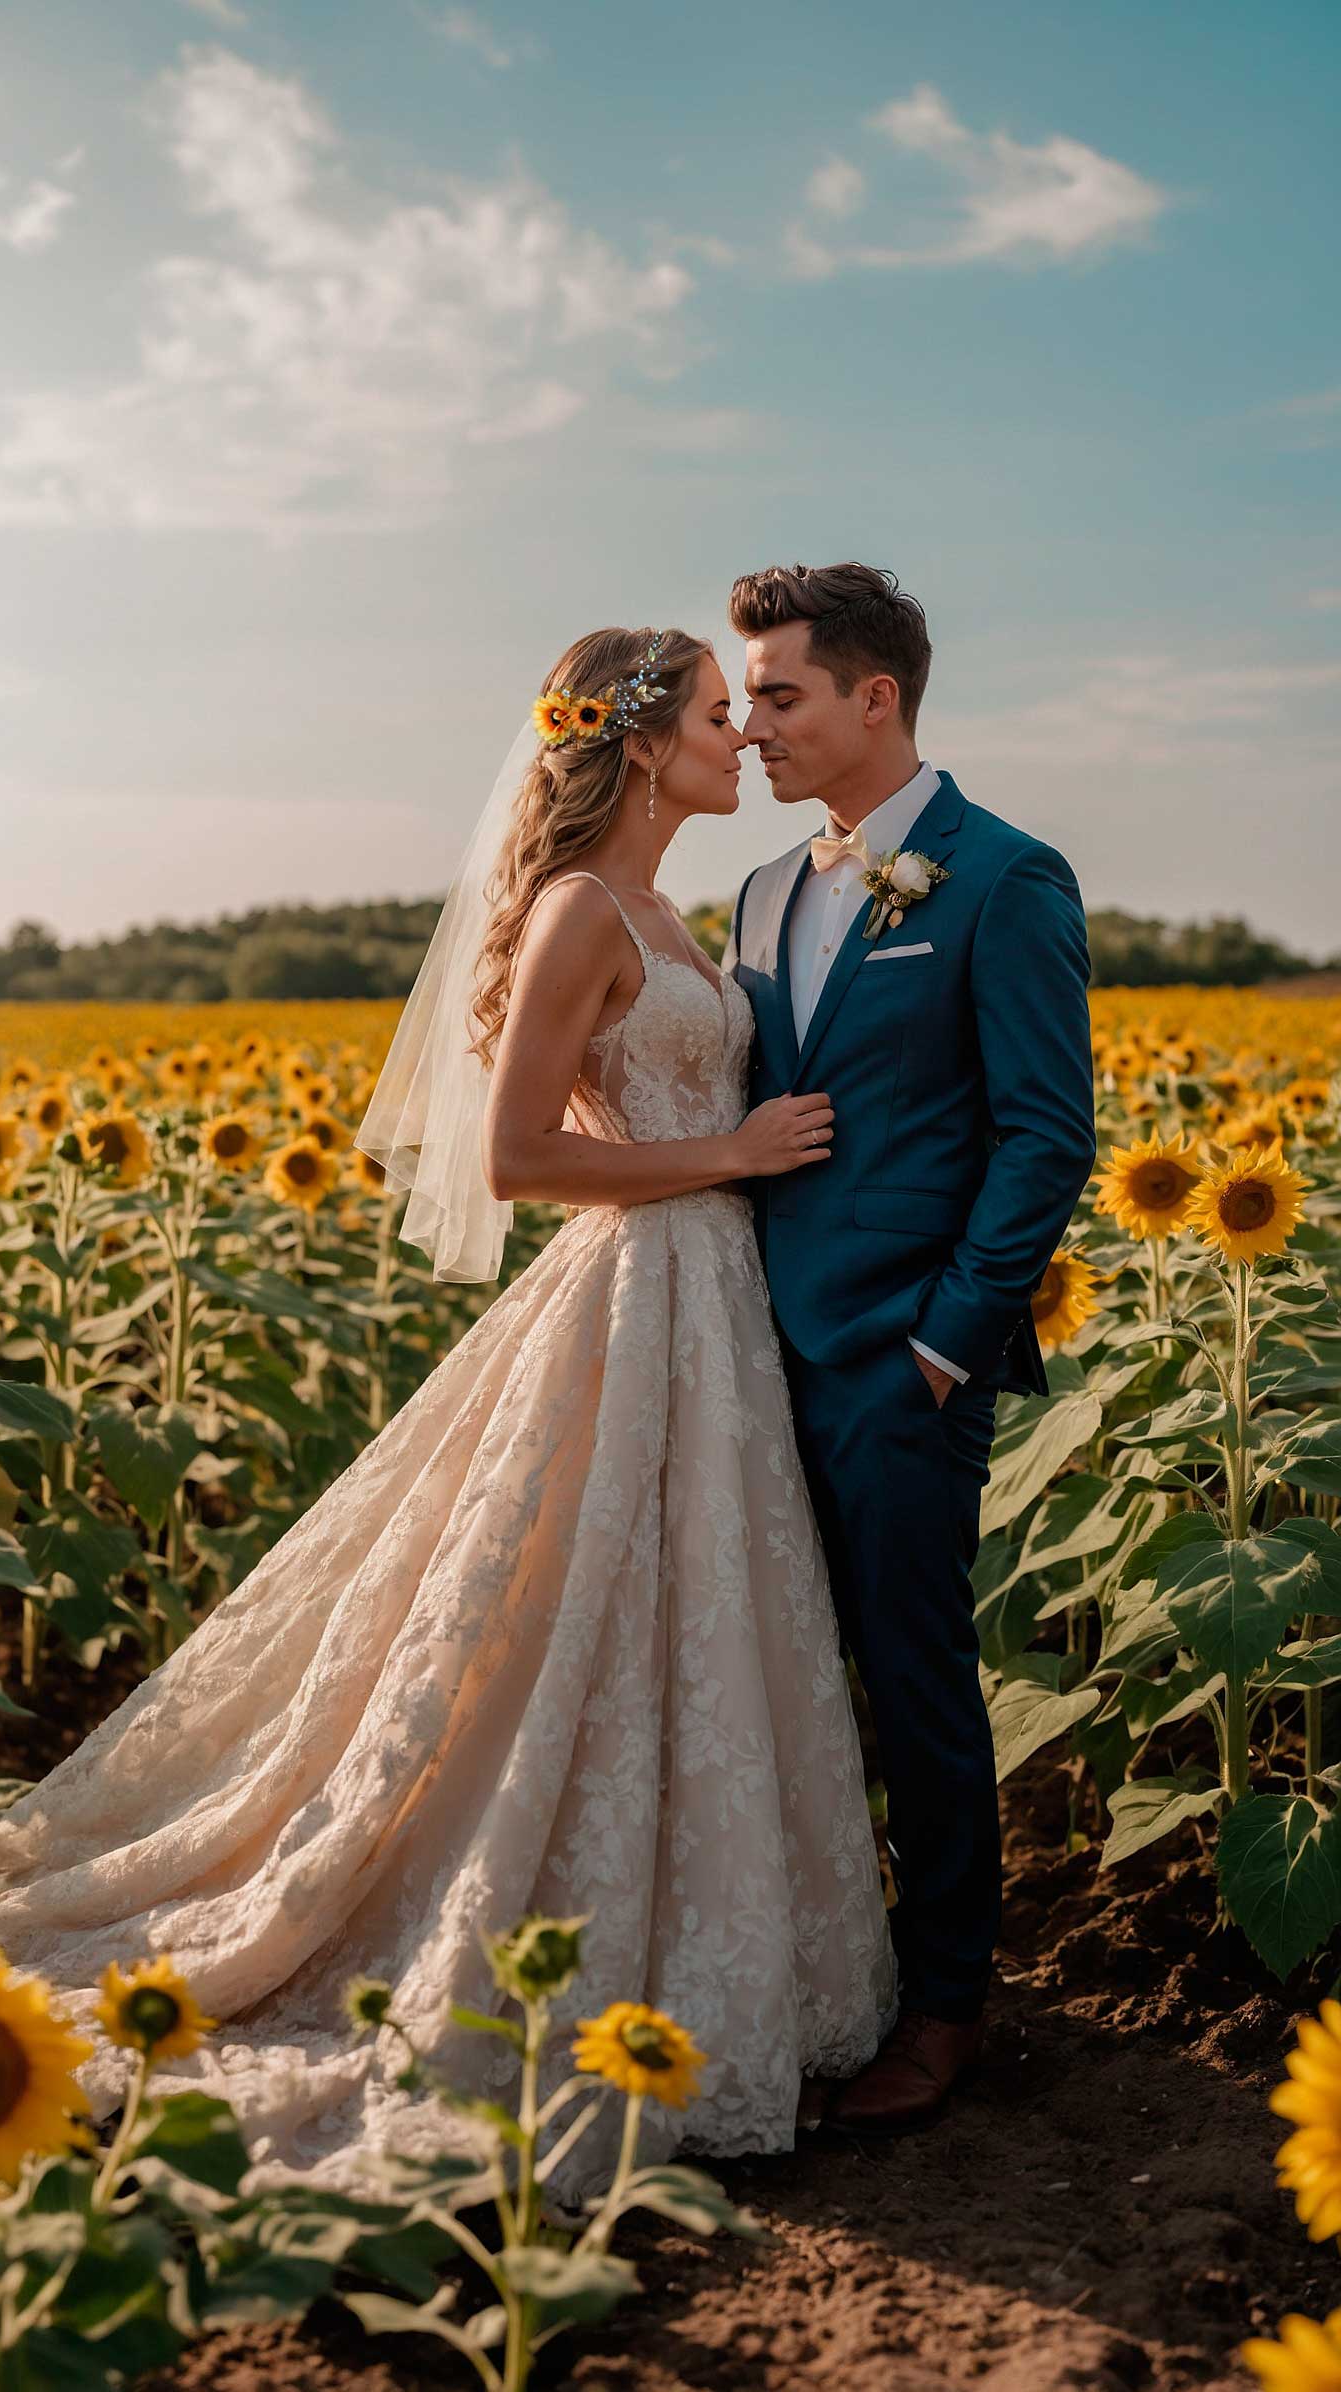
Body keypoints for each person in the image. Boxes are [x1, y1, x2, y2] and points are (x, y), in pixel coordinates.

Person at [0, 626, 893, 2203]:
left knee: (678, 1616)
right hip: (646, 1279)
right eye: (709, 714)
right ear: (633, 743)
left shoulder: (665, 907)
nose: (738, 735)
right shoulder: (572, 911)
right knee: (564, 1617)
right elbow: (519, 1157)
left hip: (713, 1305)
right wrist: (733, 1157)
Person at [724, 561, 1097, 2133]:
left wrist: (944, 1348)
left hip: (897, 1370)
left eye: (779, 695)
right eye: (742, 700)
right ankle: (819, 1978)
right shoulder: (755, 892)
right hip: (746, 1360)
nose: (749, 730)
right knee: (775, 1682)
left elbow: (1044, 1138)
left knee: (914, 1681)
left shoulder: (1003, 876)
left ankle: (948, 2008)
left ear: (879, 697)